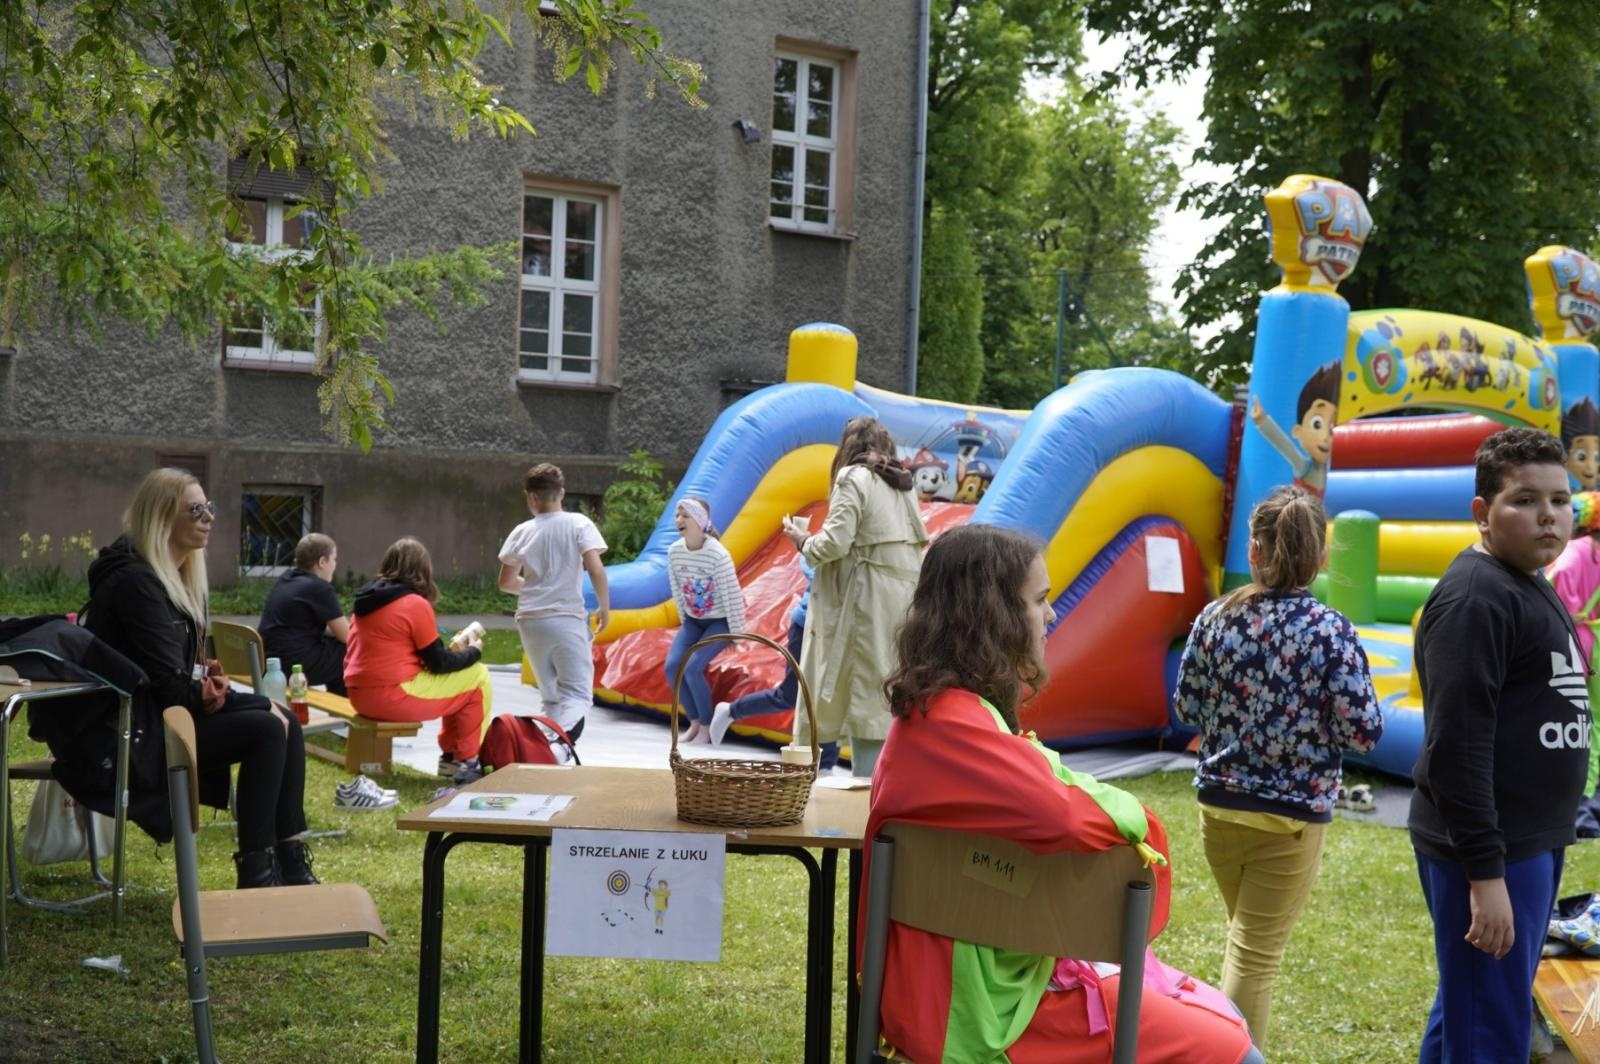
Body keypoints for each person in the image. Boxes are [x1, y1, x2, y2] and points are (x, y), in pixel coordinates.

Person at [864, 524, 1260, 1063]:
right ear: (993, 615)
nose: (1050, 615)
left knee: (1219, 1012)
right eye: (1040, 600)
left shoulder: (928, 717)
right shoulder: (959, 725)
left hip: (940, 995)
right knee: (1235, 1048)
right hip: (987, 1014)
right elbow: (1063, 812)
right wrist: (1137, 817)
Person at [1174, 485, 1383, 1049]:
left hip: (1219, 808)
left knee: (1245, 943)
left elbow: (1186, 707)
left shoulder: (1216, 618)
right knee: (1253, 958)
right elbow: (1363, 732)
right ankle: (1233, 1056)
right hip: (1289, 818)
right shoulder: (1330, 631)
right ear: (1321, 557)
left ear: (1254, 549)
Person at [1410, 427, 1590, 1061]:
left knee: (1474, 1007)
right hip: (1493, 851)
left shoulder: (1527, 580)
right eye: (1525, 500)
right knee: (1490, 1028)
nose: (1549, 516)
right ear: (1482, 513)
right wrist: (1485, 876)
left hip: (1531, 841)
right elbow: (1456, 750)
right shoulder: (1475, 599)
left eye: (1560, 500)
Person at [83, 468, 317, 889]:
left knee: (286, 720)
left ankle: (291, 861)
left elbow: (175, 674)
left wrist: (210, 677)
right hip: (133, 733)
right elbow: (171, 687)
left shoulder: (171, 576)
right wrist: (235, 697)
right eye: (196, 510)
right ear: (161, 518)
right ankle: (257, 872)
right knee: (268, 726)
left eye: (209, 507)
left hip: (163, 716)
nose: (209, 517)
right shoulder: (136, 582)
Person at [783, 416, 927, 775]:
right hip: (900, 598)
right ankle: (876, 784)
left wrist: (802, 542)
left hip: (865, 596)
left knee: (864, 691)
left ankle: (861, 787)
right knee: (882, 691)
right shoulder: (902, 483)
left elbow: (834, 543)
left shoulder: (853, 477)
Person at [344, 537, 493, 784]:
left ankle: (453, 760)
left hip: (359, 697)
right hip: (393, 696)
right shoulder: (414, 603)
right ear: (423, 570)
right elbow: (439, 663)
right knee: (478, 677)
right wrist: (474, 651)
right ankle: (467, 761)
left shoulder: (366, 601)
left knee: (460, 684)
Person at [497, 463, 609, 747]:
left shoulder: (522, 531)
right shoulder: (579, 524)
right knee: (577, 695)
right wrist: (604, 607)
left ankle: (545, 749)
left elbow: (506, 582)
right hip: (565, 619)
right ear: (562, 493)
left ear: (531, 498)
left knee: (550, 697)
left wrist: (537, 588)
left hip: (529, 620)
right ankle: (558, 750)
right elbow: (596, 569)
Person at [707, 558, 839, 769]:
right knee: (791, 694)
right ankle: (731, 710)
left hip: (837, 630)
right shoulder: (827, 545)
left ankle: (826, 762)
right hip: (807, 627)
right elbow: (811, 563)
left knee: (830, 696)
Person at [664, 497, 744, 743]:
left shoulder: (717, 555)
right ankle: (695, 721)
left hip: (720, 621)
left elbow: (733, 595)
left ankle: (707, 726)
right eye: (677, 515)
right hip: (694, 620)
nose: (679, 520)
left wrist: (736, 635)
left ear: (699, 521)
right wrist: (684, 622)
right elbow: (678, 591)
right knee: (672, 667)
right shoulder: (675, 552)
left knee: (692, 667)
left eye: (685, 515)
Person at [1546, 489, 1600, 814]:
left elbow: (1553, 590)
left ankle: (1581, 801)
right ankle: (1590, 798)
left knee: (1575, 720)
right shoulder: (1590, 554)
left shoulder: (1573, 553)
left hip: (1574, 646)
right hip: (1595, 642)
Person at [259, 532, 349, 695]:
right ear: (322, 562)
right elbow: (347, 636)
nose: (335, 564)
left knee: (333, 648)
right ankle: (343, 705)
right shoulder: (319, 588)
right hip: (293, 666)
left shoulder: (286, 579)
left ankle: (339, 702)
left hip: (270, 661)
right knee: (350, 651)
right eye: (334, 559)